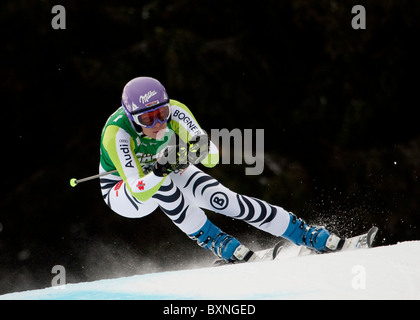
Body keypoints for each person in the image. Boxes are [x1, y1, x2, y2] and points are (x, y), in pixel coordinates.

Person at [99, 76, 341, 263]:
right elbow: (138, 190)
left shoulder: (176, 110)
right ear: (132, 118)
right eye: (147, 119)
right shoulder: (116, 133)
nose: (157, 123)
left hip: (165, 166)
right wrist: (161, 170)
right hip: (123, 191)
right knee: (163, 186)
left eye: (161, 113)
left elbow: (212, 157)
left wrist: (195, 150)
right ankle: (215, 240)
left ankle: (303, 233)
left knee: (223, 198)